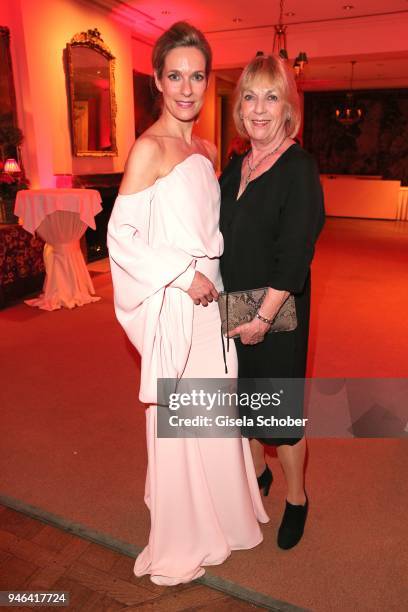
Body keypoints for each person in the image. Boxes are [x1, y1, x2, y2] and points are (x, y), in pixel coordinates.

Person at [107, 22, 268, 587]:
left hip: (214, 302)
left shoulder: (199, 147)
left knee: (215, 412)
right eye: (175, 75)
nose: (187, 88)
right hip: (180, 303)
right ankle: (184, 529)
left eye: (197, 76)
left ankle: (222, 515)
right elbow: (120, 237)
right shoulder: (149, 148)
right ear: (157, 79)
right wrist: (181, 275)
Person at [219, 54, 325, 550]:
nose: (259, 109)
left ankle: (298, 497)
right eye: (249, 96)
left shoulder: (298, 169)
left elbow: (293, 256)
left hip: (276, 315)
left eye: (271, 97)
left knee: (280, 420)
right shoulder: (235, 165)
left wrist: (262, 318)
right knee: (243, 406)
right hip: (231, 309)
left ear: (288, 108)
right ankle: (257, 477)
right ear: (239, 106)